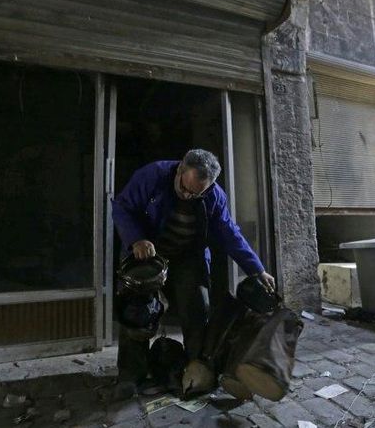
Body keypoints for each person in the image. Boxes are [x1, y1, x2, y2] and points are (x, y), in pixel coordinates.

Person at [111, 148, 275, 397]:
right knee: (137, 311)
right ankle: (130, 375)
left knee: (198, 307)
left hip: (188, 256)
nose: (187, 196)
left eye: (196, 194)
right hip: (147, 253)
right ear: (179, 170)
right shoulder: (152, 175)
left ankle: (194, 368)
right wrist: (136, 239)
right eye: (183, 189)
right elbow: (122, 207)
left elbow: (231, 234)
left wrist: (257, 269)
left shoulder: (214, 197)